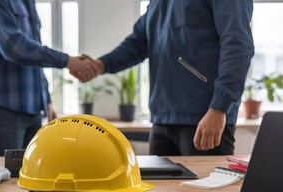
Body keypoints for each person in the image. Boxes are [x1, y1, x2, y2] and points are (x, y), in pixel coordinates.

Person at [74, 1, 254, 156]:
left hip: (205, 118)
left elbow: (238, 46)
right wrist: (100, 65)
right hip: (162, 119)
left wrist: (219, 108)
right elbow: (138, 42)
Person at [0, 0, 99, 156]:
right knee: (3, 177)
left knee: (32, 177)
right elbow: (14, 47)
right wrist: (68, 61)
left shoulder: (27, 3)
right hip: (3, 110)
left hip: (33, 110)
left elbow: (33, 55)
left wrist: (46, 99)